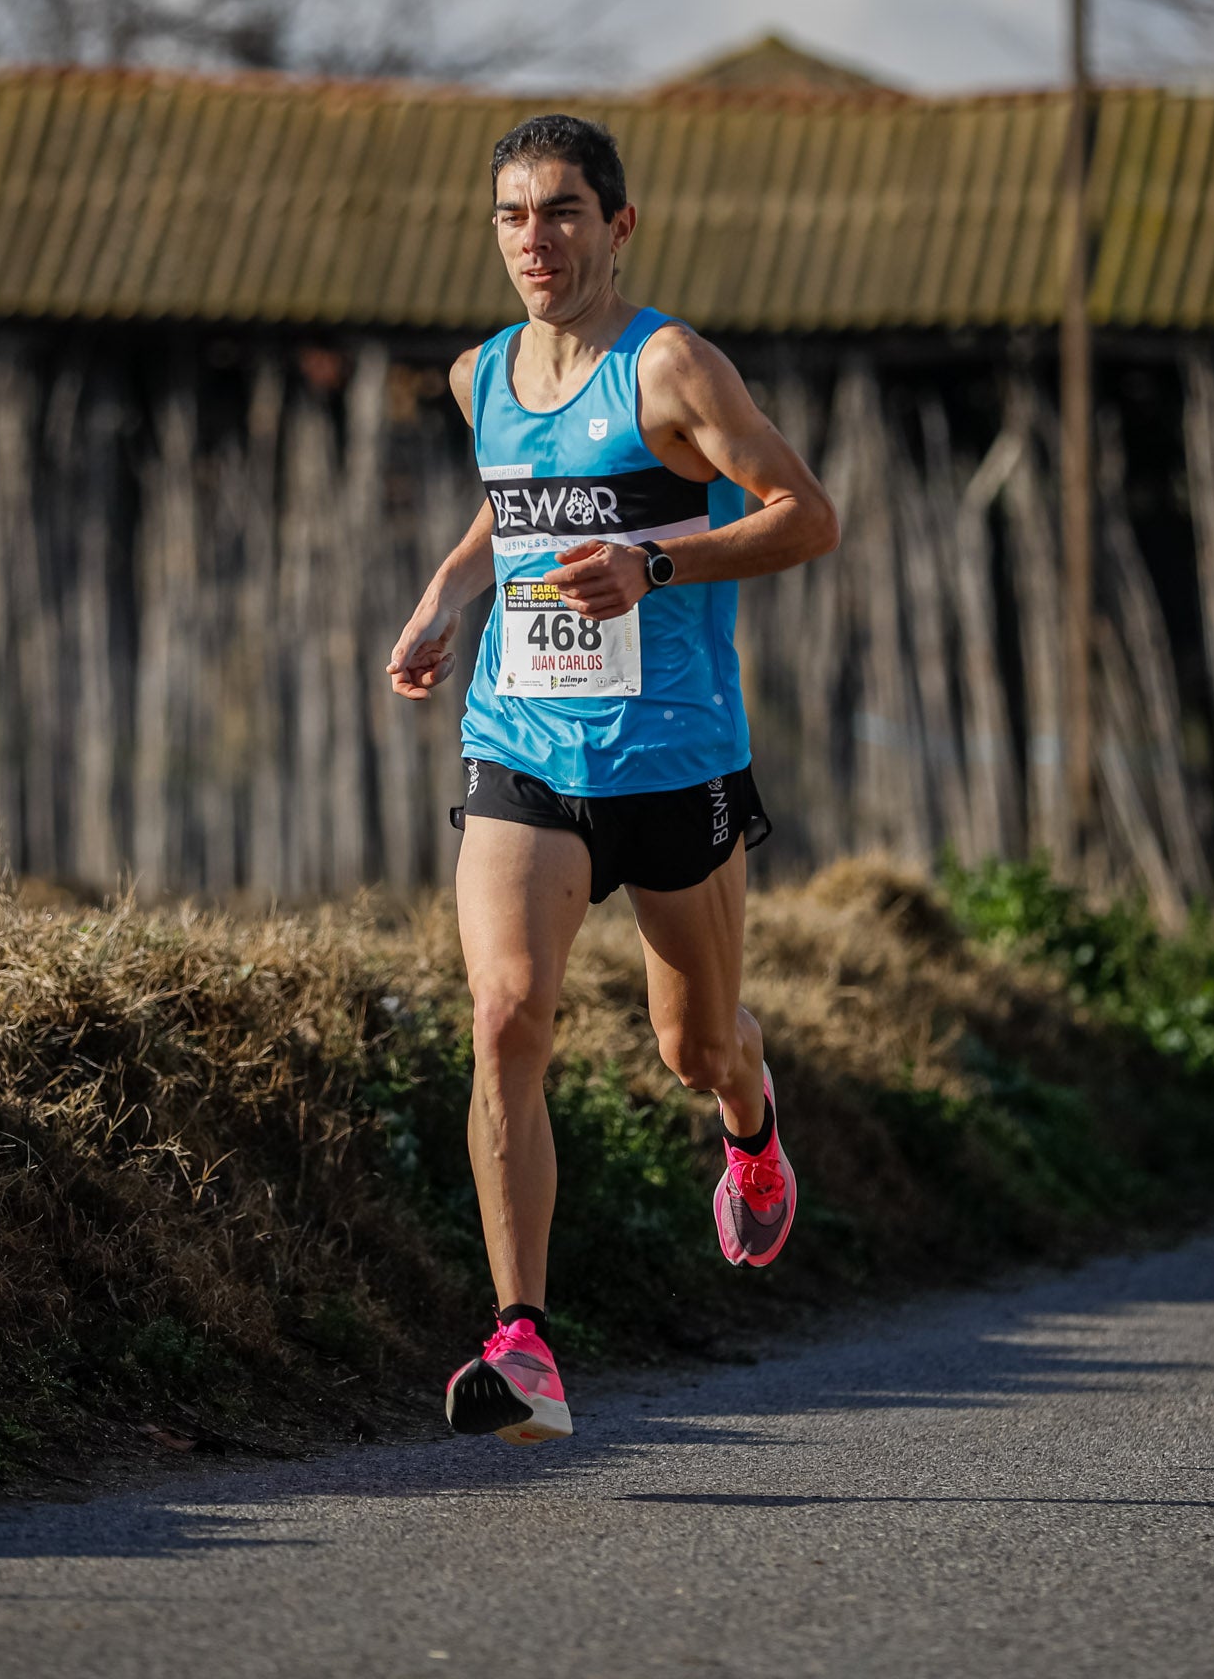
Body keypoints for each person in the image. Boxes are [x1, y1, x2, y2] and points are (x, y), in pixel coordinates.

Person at [384, 113, 840, 1444]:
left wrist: (658, 564)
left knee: (691, 1044)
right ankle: (523, 1343)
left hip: (674, 759)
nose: (539, 238)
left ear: (618, 226)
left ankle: (750, 1122)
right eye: (516, 215)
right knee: (507, 1016)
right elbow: (510, 506)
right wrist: (442, 600)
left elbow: (804, 514)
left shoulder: (671, 367)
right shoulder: (481, 377)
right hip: (523, 743)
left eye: (565, 212)